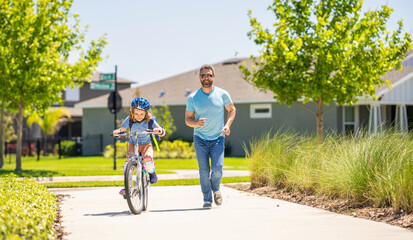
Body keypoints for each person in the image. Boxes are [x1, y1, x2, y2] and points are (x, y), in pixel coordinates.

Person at [185, 64, 236, 208]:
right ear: (199, 78)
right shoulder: (193, 98)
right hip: (200, 139)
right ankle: (207, 199)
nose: (206, 78)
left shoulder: (222, 94)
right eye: (203, 75)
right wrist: (195, 123)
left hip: (218, 138)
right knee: (204, 171)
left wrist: (227, 125)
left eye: (209, 75)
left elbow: (232, 110)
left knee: (217, 169)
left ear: (213, 77)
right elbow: (187, 120)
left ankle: (216, 189)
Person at [113, 97, 166, 198]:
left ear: (146, 113)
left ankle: (152, 173)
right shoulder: (129, 120)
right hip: (133, 143)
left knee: (148, 159)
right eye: (136, 114)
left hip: (146, 144)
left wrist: (160, 131)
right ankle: (127, 187)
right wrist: (118, 132)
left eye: (142, 114)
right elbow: (122, 129)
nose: (139, 116)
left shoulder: (150, 120)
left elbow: (159, 129)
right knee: (128, 162)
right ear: (132, 112)